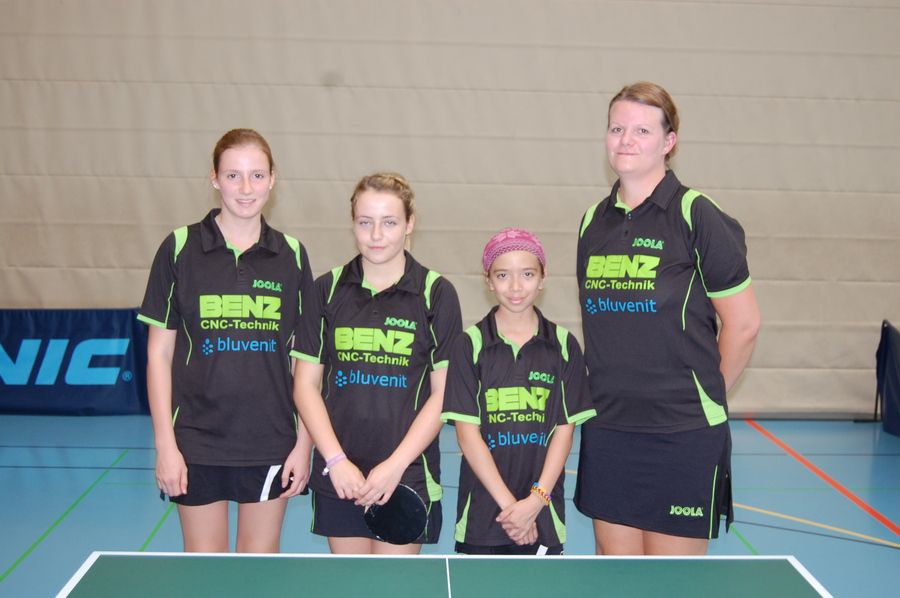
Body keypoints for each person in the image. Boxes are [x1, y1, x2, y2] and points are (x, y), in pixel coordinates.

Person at [574, 82, 761, 555]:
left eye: (642, 130)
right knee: (615, 579)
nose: (626, 140)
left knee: (670, 583)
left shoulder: (697, 215)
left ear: (668, 141)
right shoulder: (593, 222)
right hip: (609, 428)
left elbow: (743, 325)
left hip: (682, 434)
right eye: (617, 128)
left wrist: (702, 397)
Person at [138, 128, 314, 552]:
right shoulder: (179, 248)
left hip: (271, 439)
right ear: (214, 178)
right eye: (233, 175)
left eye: (257, 175)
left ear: (272, 180)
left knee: (259, 567)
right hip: (196, 440)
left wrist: (303, 445)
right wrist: (165, 446)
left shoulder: (291, 254)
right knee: (205, 568)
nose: (246, 188)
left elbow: (307, 360)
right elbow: (159, 354)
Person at [292, 172, 462, 554]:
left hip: (406, 473)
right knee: (352, 582)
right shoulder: (326, 289)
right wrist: (336, 460)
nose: (376, 235)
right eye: (365, 222)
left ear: (409, 224)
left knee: (392, 583)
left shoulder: (436, 293)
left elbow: (443, 394)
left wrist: (395, 465)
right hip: (340, 473)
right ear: (352, 223)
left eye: (389, 222)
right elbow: (305, 385)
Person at [441, 228, 596, 555]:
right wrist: (513, 509)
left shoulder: (564, 345)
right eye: (502, 275)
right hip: (483, 516)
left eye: (527, 274)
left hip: (544, 514)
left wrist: (535, 502)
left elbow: (564, 432)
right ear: (488, 280)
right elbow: (468, 436)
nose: (515, 287)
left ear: (543, 278)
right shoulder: (469, 345)